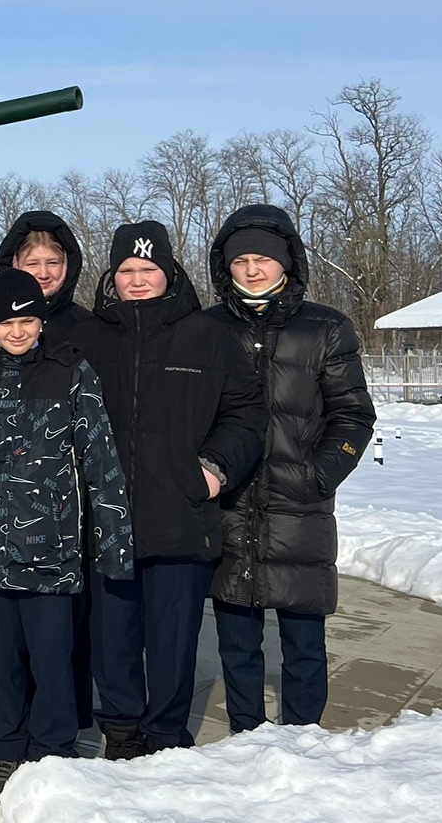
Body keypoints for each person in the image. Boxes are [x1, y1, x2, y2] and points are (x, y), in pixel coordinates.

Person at [0, 269, 134, 808]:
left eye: (28, 320)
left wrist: (113, 541)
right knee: (0, 661)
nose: (18, 331)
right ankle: (8, 752)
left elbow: (101, 461)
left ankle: (53, 752)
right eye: (7, 322)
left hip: (51, 551)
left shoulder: (70, 370)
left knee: (52, 658)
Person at [72, 222, 267, 758]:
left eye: (148, 270)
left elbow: (246, 414)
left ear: (169, 272)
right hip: (105, 517)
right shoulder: (88, 337)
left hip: (180, 513)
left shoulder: (207, 334)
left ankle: (165, 734)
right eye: (127, 271)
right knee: (112, 638)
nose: (137, 280)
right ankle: (121, 731)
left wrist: (214, 469)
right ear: (112, 276)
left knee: (172, 641)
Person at [207, 205, 374, 733]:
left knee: (303, 641)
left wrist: (317, 476)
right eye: (241, 260)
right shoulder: (207, 329)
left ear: (287, 264)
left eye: (263, 259)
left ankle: (305, 742)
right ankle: (247, 734)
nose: (252, 270)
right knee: (236, 639)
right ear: (225, 267)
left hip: (299, 506)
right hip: (229, 507)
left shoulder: (326, 328)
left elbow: (353, 416)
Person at [0, 210, 97, 736]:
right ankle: (12, 728)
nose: (42, 270)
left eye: (52, 261)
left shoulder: (86, 329)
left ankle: (64, 727)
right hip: (4, 516)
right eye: (30, 261)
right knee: (9, 635)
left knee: (63, 633)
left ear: (68, 265)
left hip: (65, 509)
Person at [0, 211, 95, 344]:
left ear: (67, 265)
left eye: (52, 263)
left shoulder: (90, 327)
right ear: (15, 265)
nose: (43, 274)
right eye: (32, 264)